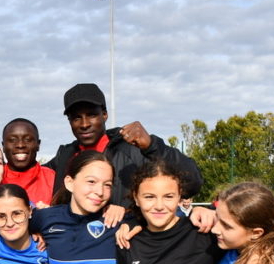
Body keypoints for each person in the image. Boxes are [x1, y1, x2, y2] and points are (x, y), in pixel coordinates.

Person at [46, 83, 202, 205]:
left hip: (126, 236)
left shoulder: (134, 150)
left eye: (92, 115)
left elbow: (192, 183)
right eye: (76, 118)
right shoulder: (64, 157)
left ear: (104, 115)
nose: (84, 124)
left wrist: (152, 147)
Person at [1, 118, 55, 206]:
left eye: (28, 139)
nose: (20, 145)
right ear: (3, 146)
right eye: (12, 140)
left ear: (38, 145)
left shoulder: (53, 179)